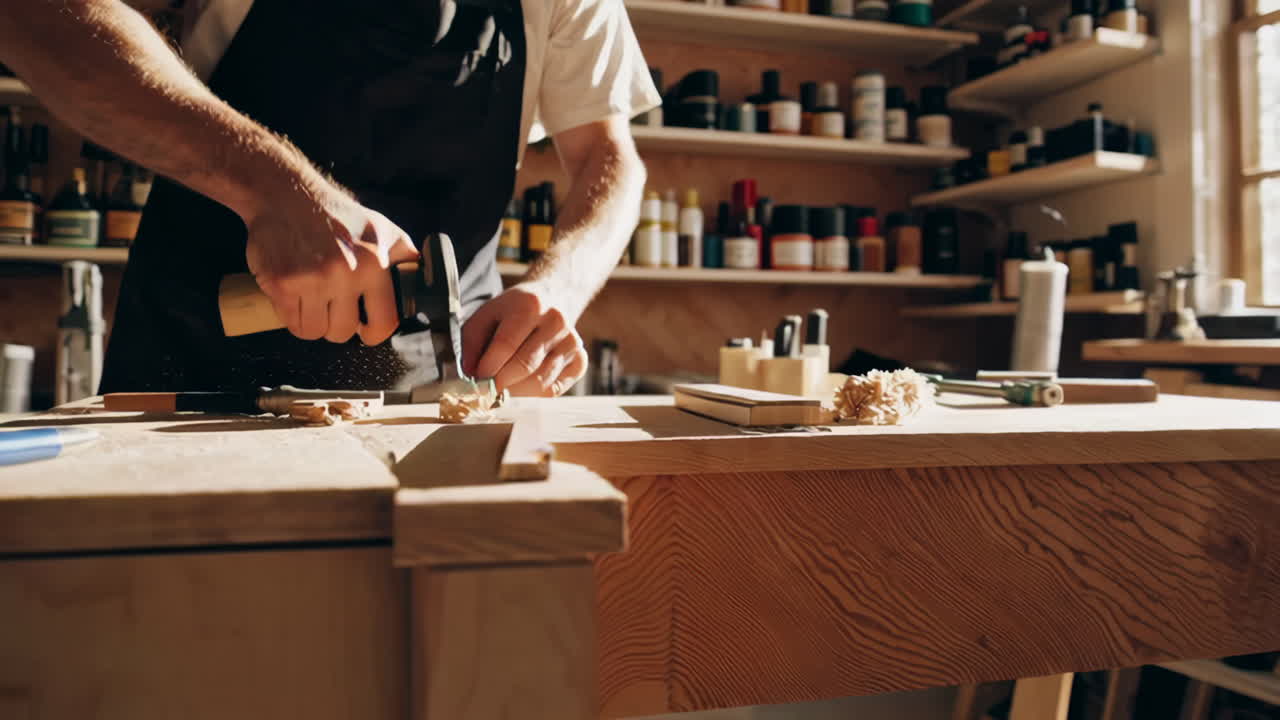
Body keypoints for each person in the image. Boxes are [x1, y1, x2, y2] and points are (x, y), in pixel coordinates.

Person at [0, 0, 658, 396]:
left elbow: (611, 158)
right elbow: (38, 16)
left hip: (444, 388)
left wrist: (556, 293)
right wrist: (276, 190)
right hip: (197, 374)